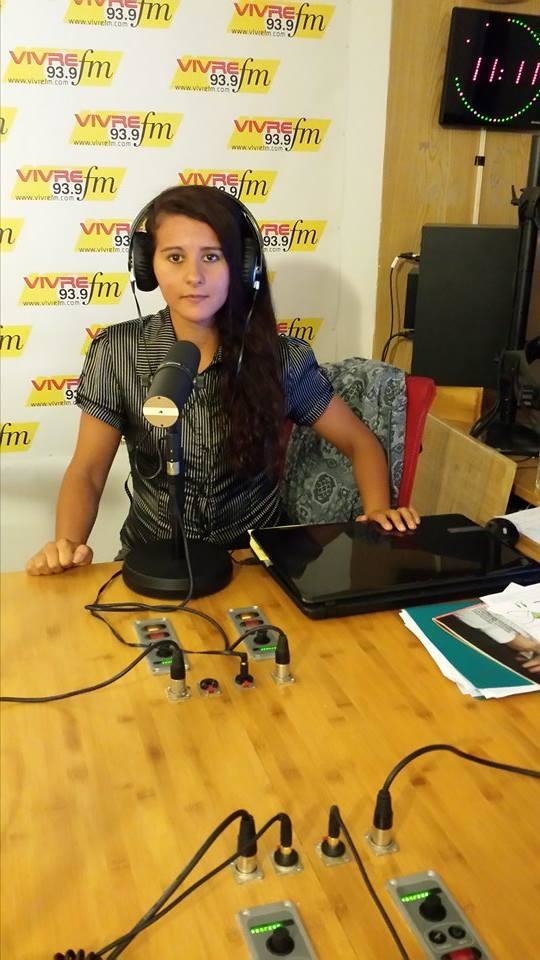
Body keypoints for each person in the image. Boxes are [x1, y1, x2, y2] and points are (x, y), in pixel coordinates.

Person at [26, 185, 419, 576]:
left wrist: (377, 512)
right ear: (147, 267)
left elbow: (359, 442)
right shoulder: (117, 351)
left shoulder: (280, 358)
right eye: (175, 257)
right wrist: (68, 544)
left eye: (211, 257)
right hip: (153, 559)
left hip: (253, 561)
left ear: (243, 266)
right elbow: (88, 471)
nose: (193, 276)